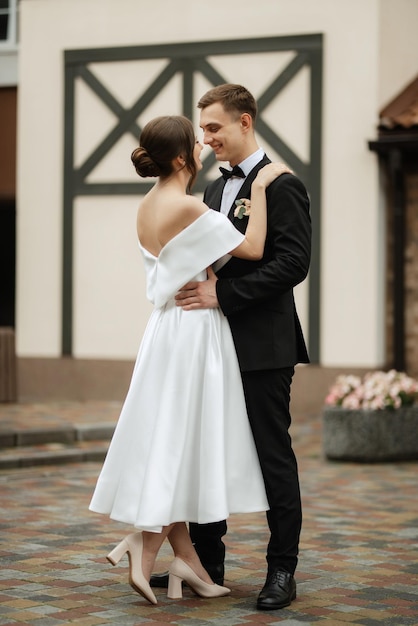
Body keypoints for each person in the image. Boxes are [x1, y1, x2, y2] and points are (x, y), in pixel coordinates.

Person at [89, 114, 291, 605]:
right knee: (184, 443)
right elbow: (255, 248)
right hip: (195, 329)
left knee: (172, 438)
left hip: (162, 329)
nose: (203, 147)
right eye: (195, 143)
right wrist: (261, 189)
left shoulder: (146, 206)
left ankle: (190, 563)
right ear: (181, 158)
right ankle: (147, 541)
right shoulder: (187, 206)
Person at [152, 84, 311, 610]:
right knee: (205, 451)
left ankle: (282, 570)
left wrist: (224, 294)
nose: (208, 139)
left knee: (273, 456)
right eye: (203, 131)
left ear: (245, 122)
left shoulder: (283, 184)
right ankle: (206, 562)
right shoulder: (215, 191)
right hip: (209, 346)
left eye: (215, 128)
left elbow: (292, 264)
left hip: (264, 346)